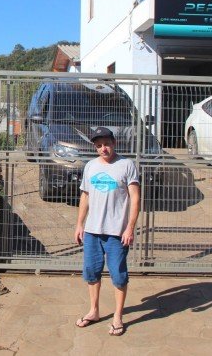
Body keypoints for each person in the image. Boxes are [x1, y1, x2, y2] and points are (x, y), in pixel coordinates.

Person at [73, 126, 141, 336]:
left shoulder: (126, 165)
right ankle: (94, 311)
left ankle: (118, 316)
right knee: (91, 273)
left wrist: (129, 228)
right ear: (95, 147)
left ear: (114, 144)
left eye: (107, 144)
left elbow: (135, 198)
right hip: (92, 232)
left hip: (116, 233)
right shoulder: (91, 167)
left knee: (119, 276)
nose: (104, 148)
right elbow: (85, 196)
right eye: (99, 145)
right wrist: (79, 224)